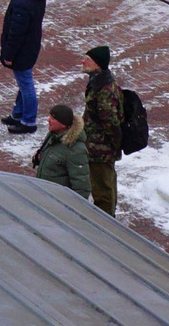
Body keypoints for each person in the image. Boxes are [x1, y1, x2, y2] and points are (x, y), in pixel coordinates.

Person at [0, 0, 49, 133]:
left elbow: (16, 34)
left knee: (26, 85)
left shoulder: (23, 5)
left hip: (22, 51)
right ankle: (18, 114)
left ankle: (28, 121)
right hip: (30, 46)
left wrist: (9, 56)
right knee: (23, 82)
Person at [81, 45, 125, 214]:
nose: (83, 61)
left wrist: (114, 143)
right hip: (97, 145)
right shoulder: (97, 82)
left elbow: (109, 120)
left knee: (103, 189)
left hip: (101, 148)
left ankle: (106, 222)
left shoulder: (104, 88)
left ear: (97, 64)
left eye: (88, 59)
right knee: (104, 184)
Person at [32, 104, 92, 199]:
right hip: (46, 196)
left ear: (63, 125)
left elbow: (81, 187)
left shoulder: (76, 150)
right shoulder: (53, 136)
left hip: (58, 202)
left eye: (53, 118)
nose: (48, 120)